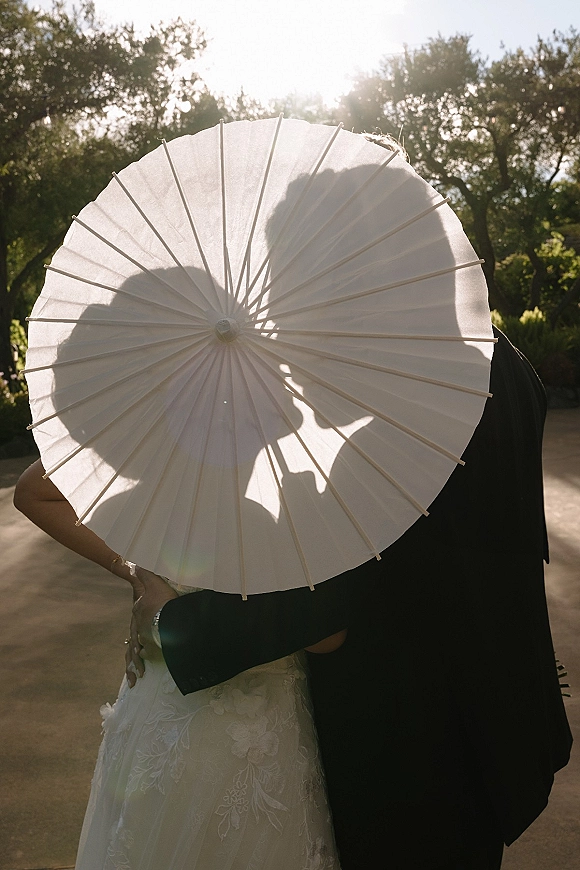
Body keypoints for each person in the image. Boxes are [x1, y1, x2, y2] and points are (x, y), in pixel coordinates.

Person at [126, 327, 572, 870]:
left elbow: (322, 605)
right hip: (485, 710)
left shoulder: (399, 412)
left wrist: (172, 621)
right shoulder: (496, 354)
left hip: (406, 747)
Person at [13, 462, 342, 869]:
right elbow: (327, 636)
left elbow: (33, 491)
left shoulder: (156, 442)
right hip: (260, 723)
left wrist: (139, 576)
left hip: (161, 702)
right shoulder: (295, 481)